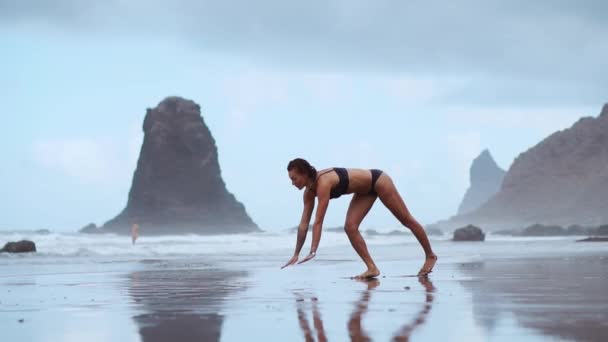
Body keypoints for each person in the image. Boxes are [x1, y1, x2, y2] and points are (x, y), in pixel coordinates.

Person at [281, 158, 437, 278]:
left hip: (378, 181)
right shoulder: (308, 192)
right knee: (350, 227)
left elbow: (319, 221)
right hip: (364, 191)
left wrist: (313, 250)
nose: (292, 183)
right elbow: (303, 225)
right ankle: (372, 268)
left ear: (304, 173)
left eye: (294, 178)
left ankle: (430, 255)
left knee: (406, 220)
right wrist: (296, 254)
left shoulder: (323, 183)